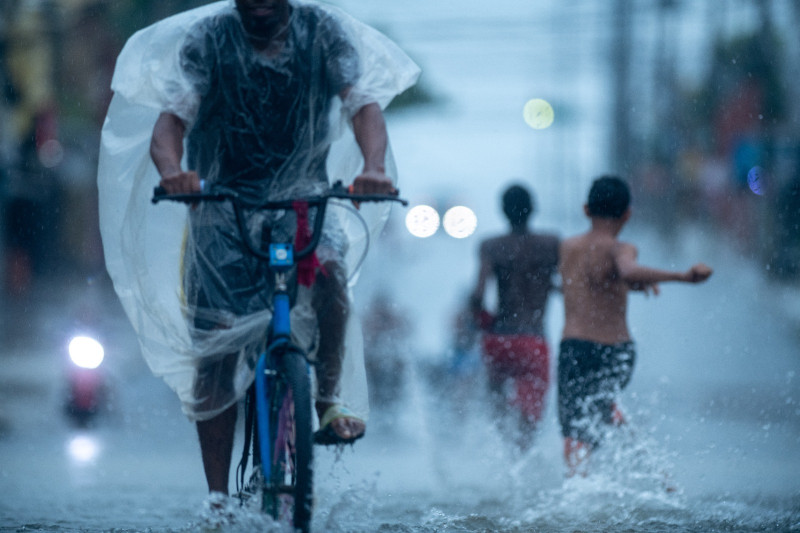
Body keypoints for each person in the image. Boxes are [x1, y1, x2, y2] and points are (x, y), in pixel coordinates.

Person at [98, 0, 419, 499]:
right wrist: (173, 173)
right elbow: (170, 125)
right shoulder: (210, 39)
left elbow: (363, 107)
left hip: (302, 201)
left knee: (330, 275)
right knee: (216, 354)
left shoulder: (321, 33)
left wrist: (374, 168)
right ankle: (218, 500)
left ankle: (327, 398)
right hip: (222, 206)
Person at [557, 175, 712, 476]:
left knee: (575, 430)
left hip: (574, 349)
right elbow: (626, 271)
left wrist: (634, 282)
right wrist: (681, 276)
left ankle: (580, 480)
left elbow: (590, 282)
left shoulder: (568, 247)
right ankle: (631, 443)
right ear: (628, 214)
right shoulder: (621, 249)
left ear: (586, 210)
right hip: (615, 352)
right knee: (596, 412)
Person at [470, 184, 560, 449]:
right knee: (529, 418)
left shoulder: (491, 246)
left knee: (496, 404)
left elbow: (477, 297)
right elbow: (571, 286)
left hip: (499, 339)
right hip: (534, 340)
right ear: (533, 209)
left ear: (503, 211)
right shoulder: (551, 245)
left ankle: (501, 450)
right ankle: (521, 456)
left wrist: (482, 322)